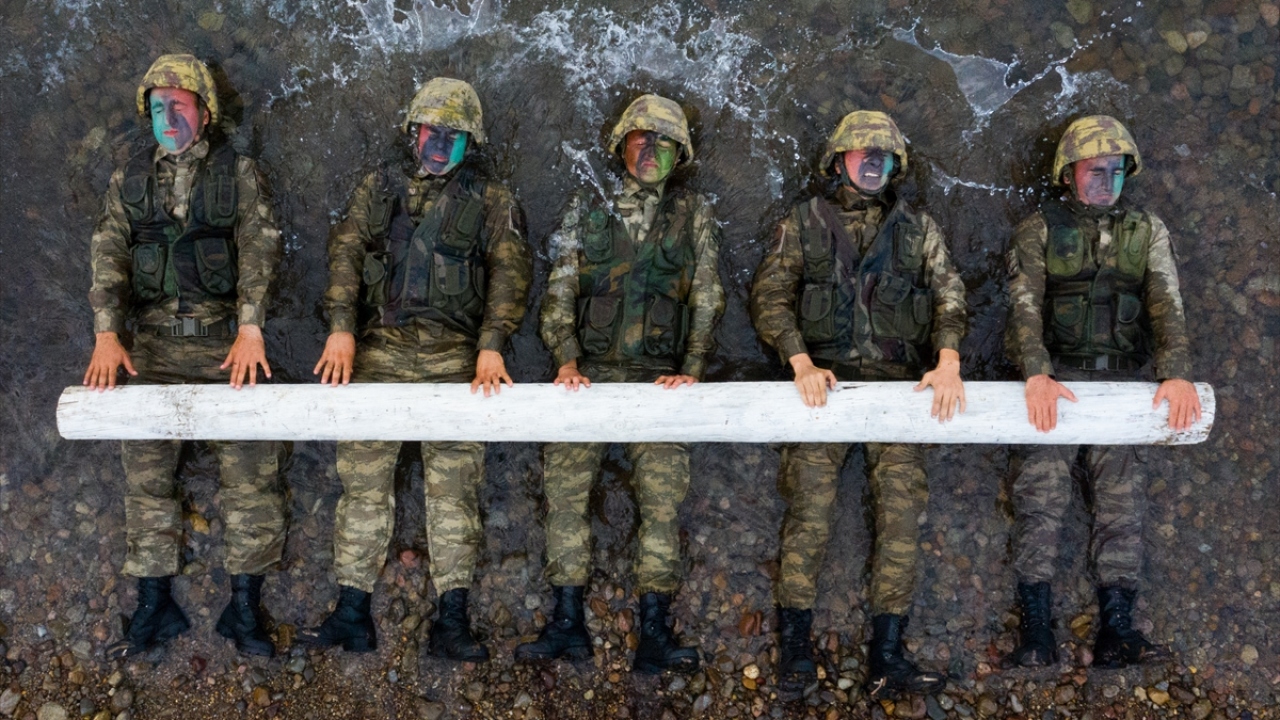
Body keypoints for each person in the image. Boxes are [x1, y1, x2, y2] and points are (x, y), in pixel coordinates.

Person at [299, 78, 531, 661]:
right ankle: (352, 611)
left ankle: (451, 620)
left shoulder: (494, 200)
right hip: (378, 351)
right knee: (362, 483)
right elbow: (346, 253)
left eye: (452, 135)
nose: (438, 142)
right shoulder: (378, 188)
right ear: (413, 132)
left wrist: (493, 343)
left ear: (469, 142)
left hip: (457, 357)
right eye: (431, 130)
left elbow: (509, 272)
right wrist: (342, 329)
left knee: (455, 489)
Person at [749, 111, 967, 699]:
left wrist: (947, 360)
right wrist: (798, 360)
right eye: (861, 154)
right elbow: (769, 296)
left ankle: (887, 651)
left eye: (883, 157)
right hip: (823, 389)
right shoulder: (804, 223)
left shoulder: (918, 229)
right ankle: (795, 641)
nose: (872, 164)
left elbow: (950, 296)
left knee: (899, 520)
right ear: (838, 160)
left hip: (901, 391)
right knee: (809, 514)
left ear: (896, 167)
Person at [85, 54, 287, 658]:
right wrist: (105, 333)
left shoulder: (240, 172)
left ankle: (245, 606)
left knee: (252, 476)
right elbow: (107, 253)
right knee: (146, 480)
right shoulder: (128, 178)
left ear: (204, 110)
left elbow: (259, 249)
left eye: (179, 106)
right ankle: (154, 603)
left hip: (226, 344)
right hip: (147, 347)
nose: (167, 118)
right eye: (156, 108)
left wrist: (251, 329)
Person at [515, 94, 725, 674]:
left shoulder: (693, 214)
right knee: (565, 495)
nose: (651, 149)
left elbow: (707, 294)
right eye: (641, 139)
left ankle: (654, 630)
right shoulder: (590, 204)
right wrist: (565, 360)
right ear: (622, 145)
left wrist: (695, 366)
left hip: (662, 382)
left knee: (661, 504)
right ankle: (566, 622)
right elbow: (559, 289)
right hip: (589, 377)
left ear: (679, 153)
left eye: (663, 142)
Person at [1003, 115, 1200, 669]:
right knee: (1040, 502)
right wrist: (1036, 373)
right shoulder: (1038, 228)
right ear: (1068, 173)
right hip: (1057, 381)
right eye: (1095, 171)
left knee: (1123, 508)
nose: (1106, 182)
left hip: (1122, 385)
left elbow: (1167, 303)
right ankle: (1036, 630)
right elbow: (1024, 307)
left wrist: (1175, 372)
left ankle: (1117, 631)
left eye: (1115, 172)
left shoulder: (1147, 229)